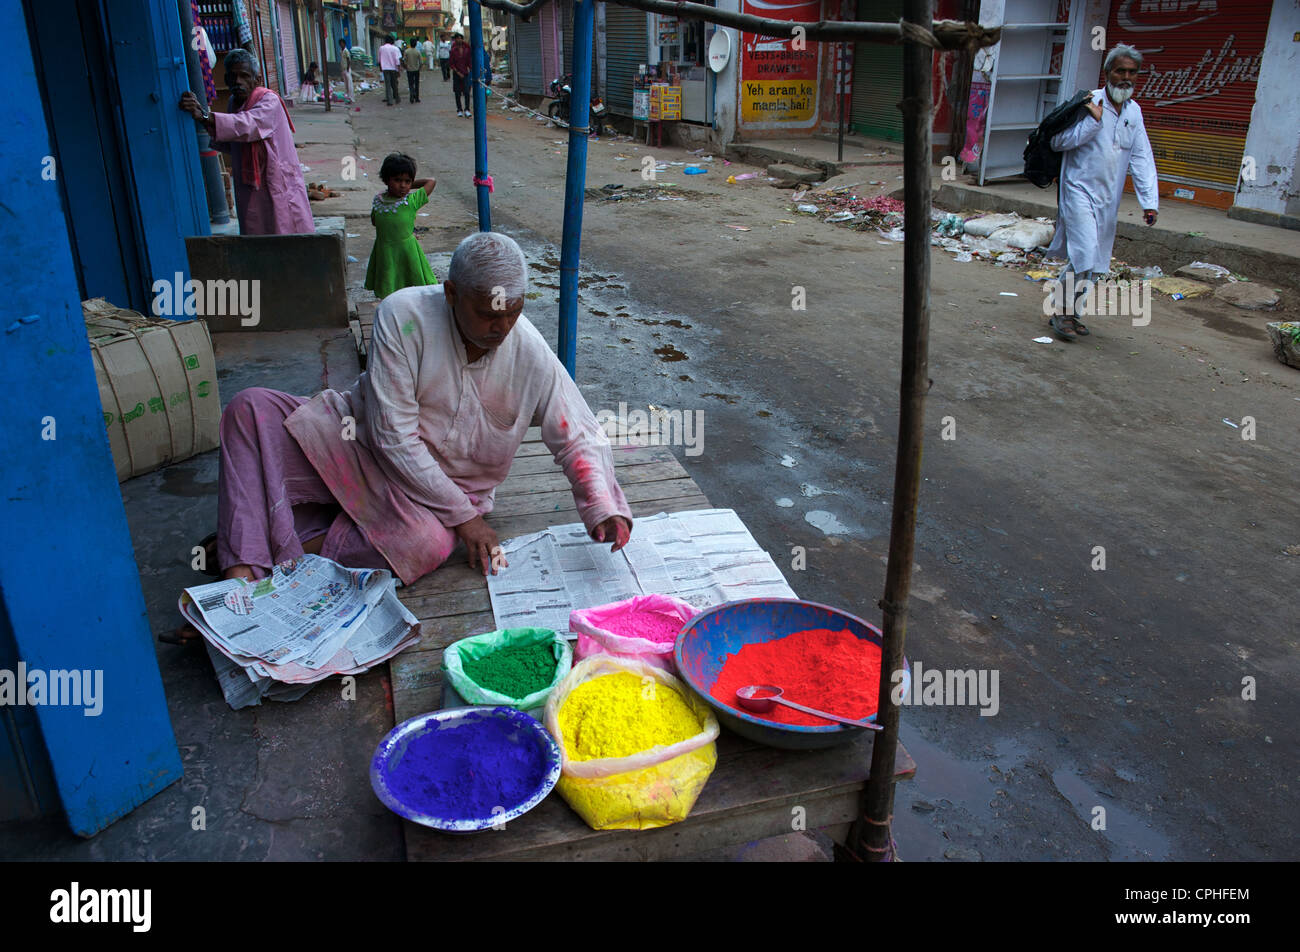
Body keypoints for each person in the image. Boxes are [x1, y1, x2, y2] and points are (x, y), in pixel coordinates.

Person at [166, 233, 633, 643]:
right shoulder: (403, 314)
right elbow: (393, 437)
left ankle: (259, 547)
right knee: (250, 410)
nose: (501, 327)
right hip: (358, 444)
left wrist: (602, 505)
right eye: (487, 314)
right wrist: (468, 521)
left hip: (431, 500)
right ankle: (239, 581)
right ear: (451, 294)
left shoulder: (528, 349)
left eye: (511, 313)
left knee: (427, 545)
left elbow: (579, 433)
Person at [1044, 44, 1159, 341]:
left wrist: (1150, 202)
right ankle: (1061, 312)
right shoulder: (1087, 102)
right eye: (1120, 70)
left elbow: (1142, 157)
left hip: (1109, 198)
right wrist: (1092, 122)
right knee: (1084, 252)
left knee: (1096, 261)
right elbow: (1058, 142)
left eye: (1132, 72)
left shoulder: (1134, 111)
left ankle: (1068, 312)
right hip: (1078, 190)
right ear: (1107, 72)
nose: (1126, 77)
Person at [179, 50, 313, 235]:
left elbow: (247, 125)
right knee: (257, 234)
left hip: (277, 183)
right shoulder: (234, 103)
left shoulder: (269, 100)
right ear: (226, 80)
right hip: (251, 186)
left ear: (256, 80)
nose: (238, 82)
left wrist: (205, 117)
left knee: (285, 232)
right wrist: (207, 122)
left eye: (244, 76)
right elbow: (233, 140)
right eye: (233, 77)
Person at [364, 153, 438, 299]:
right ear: (386, 179)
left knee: (412, 288)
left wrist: (410, 185)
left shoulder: (411, 201)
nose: (403, 185)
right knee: (389, 288)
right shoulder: (379, 201)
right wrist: (407, 182)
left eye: (407, 181)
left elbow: (431, 181)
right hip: (385, 252)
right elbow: (374, 221)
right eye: (397, 180)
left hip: (407, 251)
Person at [450, 33, 472, 117]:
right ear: (455, 40)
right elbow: (451, 64)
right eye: (457, 38)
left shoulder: (467, 49)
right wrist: (458, 72)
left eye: (460, 38)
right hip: (457, 74)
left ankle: (467, 109)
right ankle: (459, 109)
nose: (459, 40)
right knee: (457, 93)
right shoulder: (453, 51)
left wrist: (470, 69)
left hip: (465, 73)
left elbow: (469, 61)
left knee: (467, 92)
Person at [378, 34, 401, 106]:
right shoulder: (395, 49)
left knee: (387, 85)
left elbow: (379, 60)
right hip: (393, 68)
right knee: (394, 84)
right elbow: (397, 60)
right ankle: (397, 98)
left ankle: (390, 101)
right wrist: (399, 70)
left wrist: (380, 68)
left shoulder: (381, 48)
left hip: (385, 68)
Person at [402, 39, 423, 104]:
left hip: (409, 70)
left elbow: (404, 61)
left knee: (411, 84)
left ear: (410, 44)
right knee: (417, 84)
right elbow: (421, 62)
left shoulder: (406, 51)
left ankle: (411, 96)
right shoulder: (417, 52)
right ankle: (416, 98)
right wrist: (419, 68)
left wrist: (405, 67)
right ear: (416, 44)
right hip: (416, 70)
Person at [338, 36, 354, 101]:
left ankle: (351, 97)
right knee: (346, 84)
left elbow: (348, 60)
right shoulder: (341, 51)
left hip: (347, 69)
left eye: (342, 43)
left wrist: (348, 67)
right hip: (343, 69)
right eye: (340, 44)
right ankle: (347, 96)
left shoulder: (346, 51)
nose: (341, 45)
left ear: (344, 44)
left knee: (349, 83)